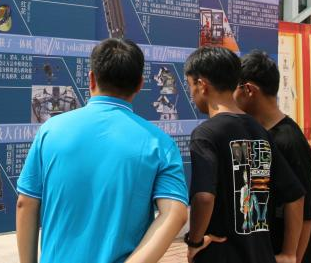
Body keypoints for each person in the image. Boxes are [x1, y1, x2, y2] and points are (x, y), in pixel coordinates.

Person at [16, 38, 188, 263]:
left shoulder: (50, 131)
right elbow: (175, 213)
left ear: (91, 78)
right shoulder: (160, 144)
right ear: (139, 84)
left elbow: (25, 203)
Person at [183, 46, 305, 263]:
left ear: (202, 85)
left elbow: (204, 197)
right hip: (261, 255)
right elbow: (295, 194)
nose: (191, 94)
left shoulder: (205, 134)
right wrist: (289, 253)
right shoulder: (260, 131)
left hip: (220, 255)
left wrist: (194, 241)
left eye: (190, 85)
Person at [234, 50, 311, 263]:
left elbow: (306, 212)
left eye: (233, 87)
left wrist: (293, 257)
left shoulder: (289, 140)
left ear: (248, 90)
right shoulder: (256, 133)